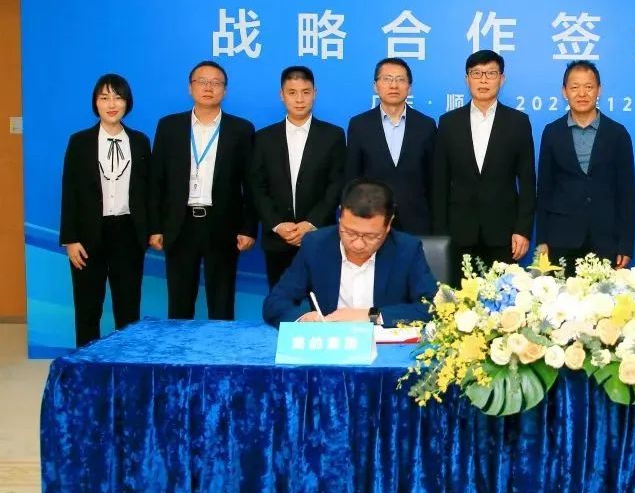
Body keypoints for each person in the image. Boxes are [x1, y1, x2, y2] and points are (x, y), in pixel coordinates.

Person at [149, 60, 257, 320]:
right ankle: (179, 347)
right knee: (179, 302)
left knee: (222, 303)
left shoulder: (241, 129)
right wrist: (155, 227)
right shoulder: (169, 126)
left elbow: (251, 183)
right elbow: (156, 180)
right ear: (190, 88)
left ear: (225, 90)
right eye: (202, 82)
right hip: (180, 223)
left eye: (216, 83)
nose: (208, 88)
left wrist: (248, 228)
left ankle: (220, 347)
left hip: (222, 224)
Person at [263, 180, 436, 327]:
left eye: (370, 236)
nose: (358, 244)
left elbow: (434, 306)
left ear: (389, 224)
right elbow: (275, 302)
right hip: (331, 346)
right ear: (340, 217)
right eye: (349, 232)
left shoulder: (406, 249)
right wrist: (303, 319)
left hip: (385, 347)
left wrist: (372, 315)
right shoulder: (316, 245)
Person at [59, 73, 150, 346]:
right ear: (95, 103)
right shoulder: (80, 141)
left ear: (127, 102)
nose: (112, 104)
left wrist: (150, 231)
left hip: (128, 232)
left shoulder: (140, 141)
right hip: (87, 235)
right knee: (88, 307)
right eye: (104, 98)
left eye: (118, 97)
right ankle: (86, 365)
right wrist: (70, 239)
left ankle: (126, 363)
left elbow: (149, 191)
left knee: (128, 307)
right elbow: (69, 191)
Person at [432, 49, 535, 279]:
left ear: (502, 78)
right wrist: (440, 235)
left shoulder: (518, 122)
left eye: (491, 73)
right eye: (477, 73)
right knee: (457, 299)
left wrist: (523, 230)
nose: (484, 80)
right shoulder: (448, 123)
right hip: (459, 234)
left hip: (504, 234)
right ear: (467, 79)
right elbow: (439, 183)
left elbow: (528, 182)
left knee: (504, 297)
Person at [250, 66, 346, 289]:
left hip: (320, 236)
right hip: (278, 238)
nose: (299, 99)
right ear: (281, 95)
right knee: (280, 303)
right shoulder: (263, 138)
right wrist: (277, 225)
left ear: (315, 93)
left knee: (322, 304)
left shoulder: (333, 135)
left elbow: (336, 184)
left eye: (306, 92)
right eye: (292, 92)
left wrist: (311, 224)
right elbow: (256, 186)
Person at [536, 60, 635, 269]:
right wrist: (542, 239)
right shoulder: (552, 132)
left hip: (605, 238)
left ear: (599, 90)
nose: (582, 93)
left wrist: (626, 244)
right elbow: (544, 188)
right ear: (564, 92)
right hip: (561, 238)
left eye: (589, 87)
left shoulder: (618, 133)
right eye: (575, 87)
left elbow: (627, 193)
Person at [345, 57, 437, 234]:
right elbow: (352, 177)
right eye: (387, 79)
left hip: (417, 220)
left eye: (400, 79)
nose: (394, 85)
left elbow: (433, 179)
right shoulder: (359, 125)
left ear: (409, 87)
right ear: (376, 86)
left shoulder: (426, 125)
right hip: (371, 219)